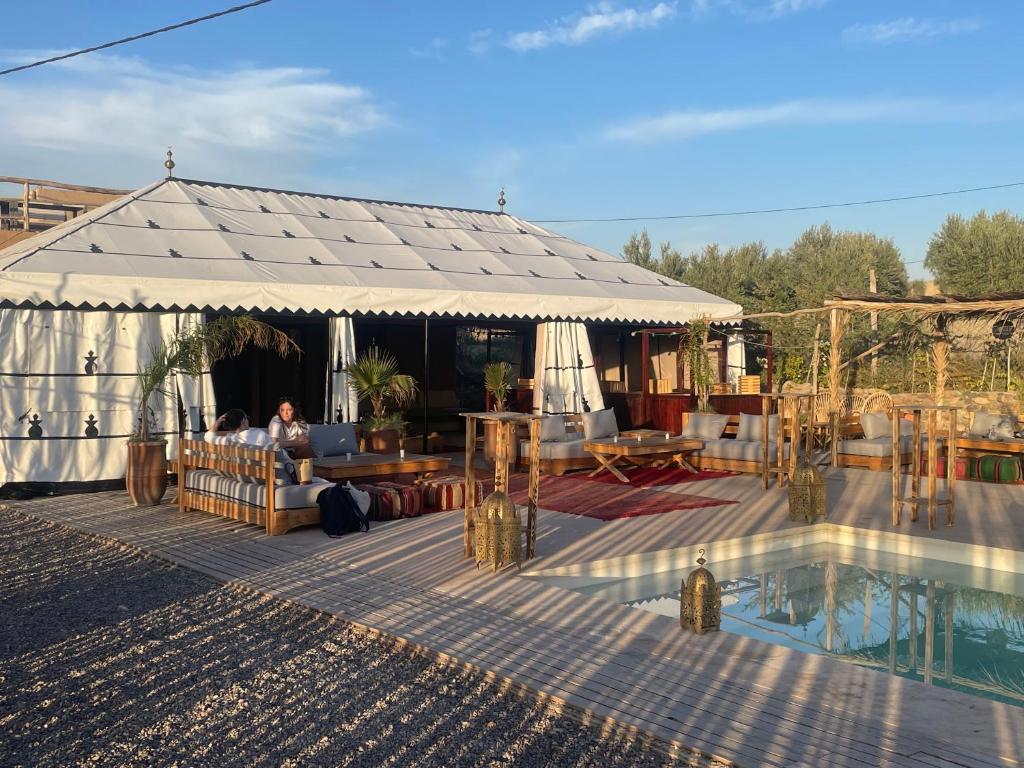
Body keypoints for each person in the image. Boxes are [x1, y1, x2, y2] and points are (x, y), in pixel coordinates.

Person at [204, 408, 274, 448]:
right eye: (247, 418)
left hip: (237, 471)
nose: (248, 420)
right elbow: (273, 448)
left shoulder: (229, 440)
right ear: (243, 420)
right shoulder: (259, 435)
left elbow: (208, 436)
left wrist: (218, 421)